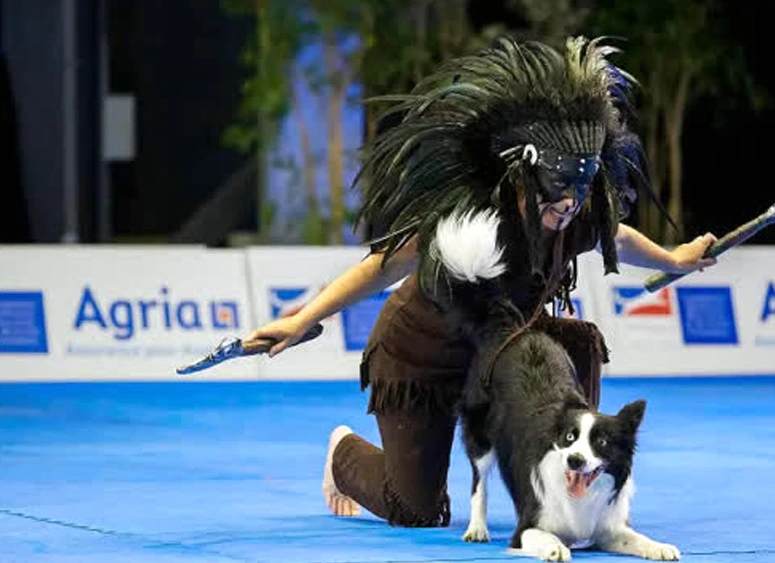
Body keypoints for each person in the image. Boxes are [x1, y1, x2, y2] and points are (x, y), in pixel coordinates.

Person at [247, 36, 718, 528]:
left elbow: (615, 237)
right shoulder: (471, 221)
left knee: (575, 343)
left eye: (576, 200)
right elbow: (382, 266)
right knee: (417, 511)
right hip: (423, 357)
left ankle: (563, 475)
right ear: (522, 179)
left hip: (498, 350)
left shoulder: (574, 214)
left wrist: (674, 259)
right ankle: (344, 456)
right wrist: (302, 320)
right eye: (554, 200)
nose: (566, 211)